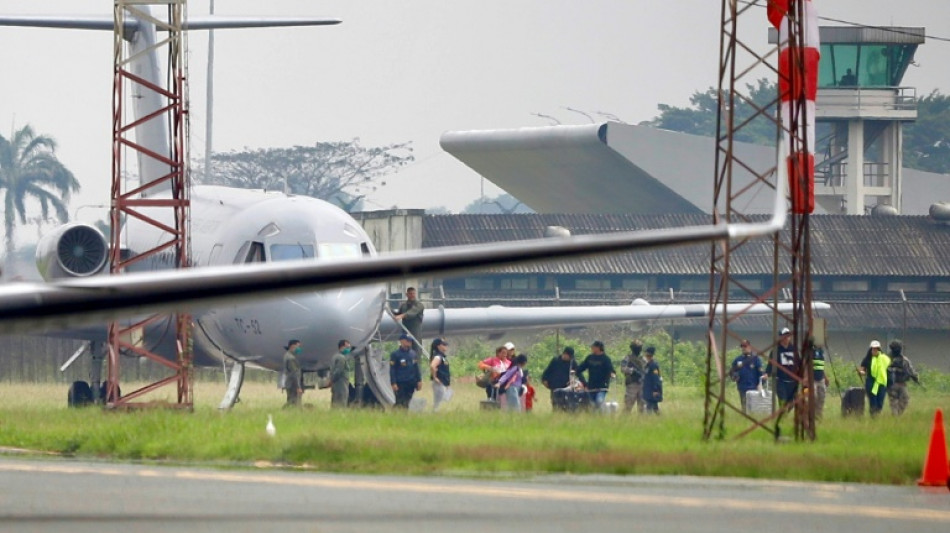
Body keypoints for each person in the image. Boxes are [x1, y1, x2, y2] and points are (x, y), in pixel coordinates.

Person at [576, 340, 616, 409]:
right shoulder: (589, 358)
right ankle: (594, 418)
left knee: (599, 401)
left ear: (598, 348)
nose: (592, 348)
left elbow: (611, 370)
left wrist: (612, 374)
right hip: (591, 386)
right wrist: (583, 382)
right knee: (591, 404)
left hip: (602, 386)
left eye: (593, 347)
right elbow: (580, 369)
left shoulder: (606, 359)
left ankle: (601, 416)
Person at [766, 327, 799, 409]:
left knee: (791, 402)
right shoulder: (776, 350)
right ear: (780, 337)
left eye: (788, 336)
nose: (786, 338)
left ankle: (785, 414)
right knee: (783, 400)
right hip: (780, 380)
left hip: (792, 380)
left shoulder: (794, 349)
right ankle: (783, 416)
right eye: (784, 336)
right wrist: (767, 373)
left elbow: (799, 363)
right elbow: (770, 364)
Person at [886, 339, 920, 416]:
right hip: (892, 384)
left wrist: (915, 377)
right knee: (893, 401)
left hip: (902, 383)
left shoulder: (904, 360)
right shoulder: (887, 359)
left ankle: (897, 415)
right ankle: (895, 417)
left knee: (905, 400)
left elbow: (910, 370)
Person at [858, 340, 890, 416]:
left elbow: (887, 368)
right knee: (873, 401)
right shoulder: (867, 360)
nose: (875, 350)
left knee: (880, 402)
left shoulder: (883, 359)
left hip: (881, 383)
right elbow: (862, 369)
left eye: (877, 349)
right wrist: (861, 372)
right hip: (871, 383)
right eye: (873, 349)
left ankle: (878, 414)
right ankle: (873, 416)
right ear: (871, 349)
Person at [389, 334, 422, 409]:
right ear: (402, 341)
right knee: (400, 401)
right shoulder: (395, 354)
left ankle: (404, 415)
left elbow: (416, 367)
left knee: (407, 401)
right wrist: (393, 382)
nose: (409, 343)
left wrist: (419, 380)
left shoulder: (413, 353)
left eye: (410, 341)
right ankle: (395, 414)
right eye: (407, 341)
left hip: (411, 382)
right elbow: (392, 369)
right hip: (400, 382)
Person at [730, 339, 763, 412]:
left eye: (745, 346)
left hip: (753, 387)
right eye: (742, 346)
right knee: (744, 407)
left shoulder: (756, 359)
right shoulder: (738, 359)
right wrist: (734, 376)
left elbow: (761, 373)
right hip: (742, 387)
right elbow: (731, 371)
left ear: (749, 347)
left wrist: (760, 384)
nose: (743, 348)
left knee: (753, 407)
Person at [394, 287, 425, 352]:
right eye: (410, 294)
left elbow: (412, 312)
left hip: (415, 332)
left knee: (416, 349)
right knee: (405, 349)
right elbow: (397, 314)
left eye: (413, 293)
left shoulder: (419, 305)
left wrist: (402, 316)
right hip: (405, 331)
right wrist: (390, 311)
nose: (412, 295)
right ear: (407, 294)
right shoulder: (403, 305)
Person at [620, 339, 646, 413]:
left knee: (642, 406)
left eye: (639, 347)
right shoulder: (627, 358)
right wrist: (631, 371)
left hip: (642, 384)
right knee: (628, 405)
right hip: (632, 384)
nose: (638, 349)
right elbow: (623, 368)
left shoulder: (643, 359)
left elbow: (647, 369)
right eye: (636, 347)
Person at [429, 337, 452, 411]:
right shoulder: (438, 357)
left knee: (443, 399)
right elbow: (433, 366)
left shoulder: (442, 357)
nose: (446, 346)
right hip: (439, 382)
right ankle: (435, 413)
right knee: (439, 401)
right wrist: (435, 377)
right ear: (438, 346)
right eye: (443, 344)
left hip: (443, 382)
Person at [810, 338, 829, 419]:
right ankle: (811, 414)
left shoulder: (821, 352)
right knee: (813, 396)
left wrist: (825, 377)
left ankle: (818, 416)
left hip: (820, 377)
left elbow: (821, 366)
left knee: (822, 397)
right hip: (812, 378)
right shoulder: (811, 351)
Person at [330, 339, 352, 409]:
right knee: (341, 404)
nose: (348, 349)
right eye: (347, 347)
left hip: (336, 385)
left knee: (335, 403)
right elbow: (338, 371)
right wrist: (332, 380)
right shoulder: (341, 358)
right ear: (342, 347)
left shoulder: (335, 356)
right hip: (341, 385)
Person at [282, 339, 303, 407]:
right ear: (293, 346)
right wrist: (298, 387)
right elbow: (294, 373)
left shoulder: (287, 355)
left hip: (290, 383)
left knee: (291, 401)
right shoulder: (291, 358)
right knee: (294, 402)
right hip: (293, 384)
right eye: (298, 346)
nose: (299, 349)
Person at [642, 346, 663, 414]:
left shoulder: (653, 365)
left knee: (649, 407)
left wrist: (655, 390)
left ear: (649, 355)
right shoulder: (648, 365)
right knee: (655, 407)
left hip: (652, 390)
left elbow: (656, 378)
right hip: (648, 389)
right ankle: (659, 418)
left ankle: (648, 421)